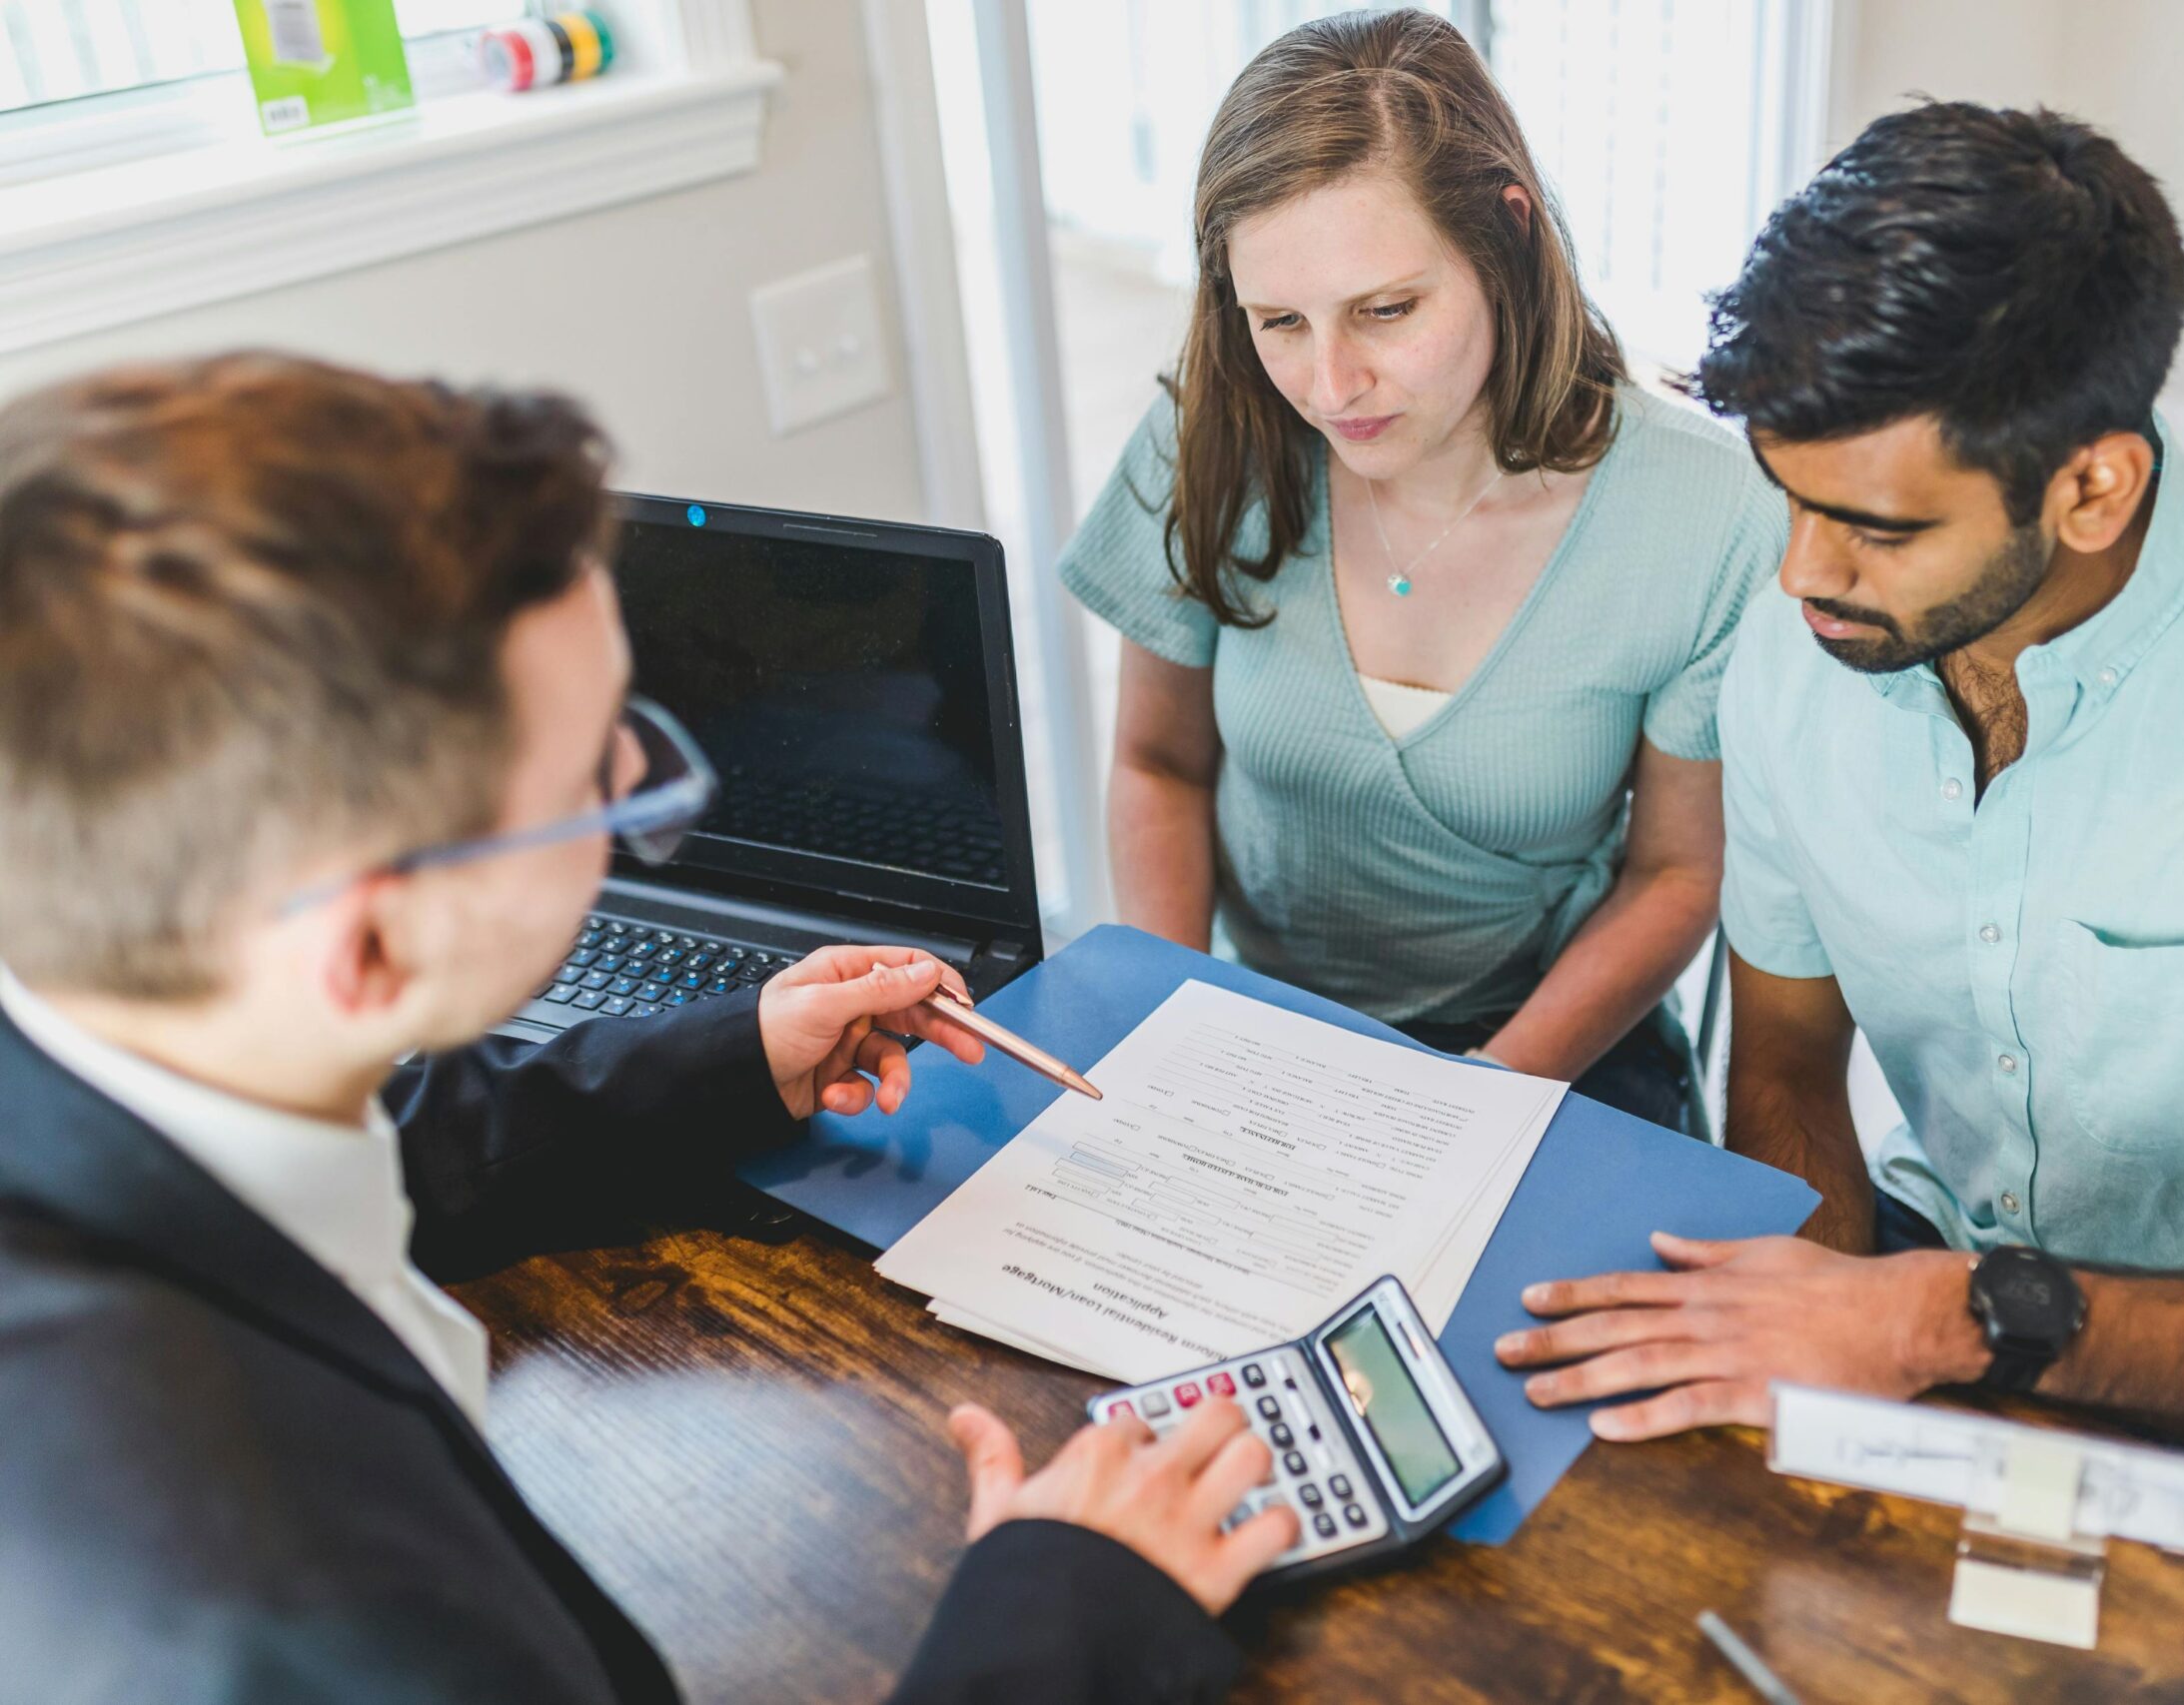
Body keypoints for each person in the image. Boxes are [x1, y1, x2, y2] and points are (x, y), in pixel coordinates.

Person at [0, 355, 1293, 1703]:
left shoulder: (123, 1041)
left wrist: (740, 1049)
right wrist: (1060, 1613)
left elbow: (414, 1134)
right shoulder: (309, 1613)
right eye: (600, 788)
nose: (645, 789)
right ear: (370, 947)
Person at [1495, 104, 2184, 1704]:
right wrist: (1821, 1418)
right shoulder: (1806, 652)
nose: (1798, 576)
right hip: (1948, 1284)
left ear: (2092, 488)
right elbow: (1785, 1063)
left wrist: (1948, 1323)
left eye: (1877, 525)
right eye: (1790, 499)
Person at [1061, 9, 1785, 1128]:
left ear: (1508, 236)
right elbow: (1158, 762)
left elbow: (1676, 873)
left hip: (1549, 1044)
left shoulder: (1703, 508)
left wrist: (1476, 1101)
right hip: (1250, 1024)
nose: (1331, 383)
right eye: (1279, 321)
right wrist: (1175, 1020)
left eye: (1386, 311)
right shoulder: (1212, 438)